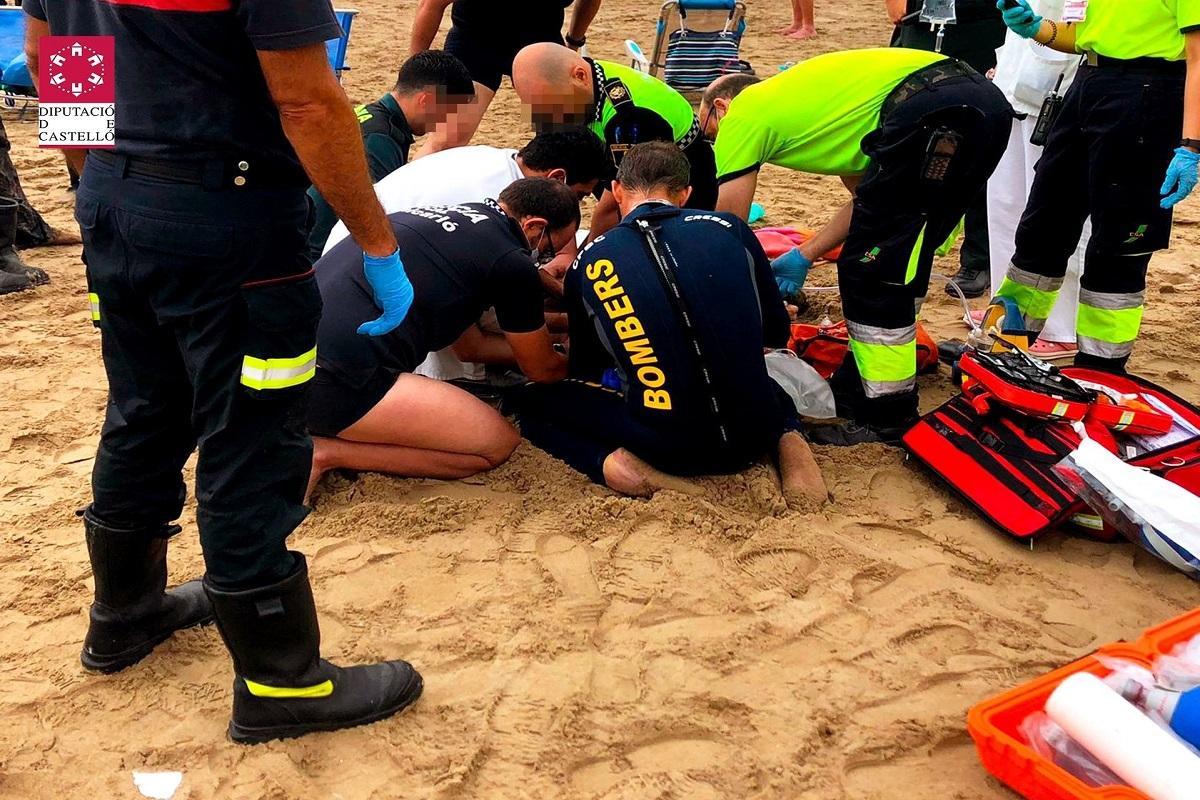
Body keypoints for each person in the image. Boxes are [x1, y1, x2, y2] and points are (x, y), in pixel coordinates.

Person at [25, 0, 423, 744]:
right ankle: (281, 680)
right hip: (226, 223)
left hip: (115, 197)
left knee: (145, 411)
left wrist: (99, 186)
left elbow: (59, 56)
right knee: (254, 436)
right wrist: (378, 243)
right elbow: (307, 101)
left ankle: (125, 615)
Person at [701, 49, 1014, 444]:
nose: (714, 141)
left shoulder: (743, 113)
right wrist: (804, 254)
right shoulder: (824, 108)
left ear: (720, 107)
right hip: (981, 103)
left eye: (708, 128)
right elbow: (866, 204)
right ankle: (863, 380)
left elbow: (728, 226)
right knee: (902, 257)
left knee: (873, 272)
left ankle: (887, 413)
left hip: (931, 109)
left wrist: (736, 288)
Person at [508, 143, 828, 505]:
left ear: (616, 191)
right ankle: (792, 449)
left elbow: (590, 367)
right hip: (754, 428)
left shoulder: (591, 260)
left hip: (664, 445)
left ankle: (616, 467)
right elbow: (774, 333)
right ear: (685, 194)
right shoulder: (730, 228)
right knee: (768, 387)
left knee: (533, 404)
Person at [307, 178, 576, 496]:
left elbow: (470, 347)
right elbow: (541, 369)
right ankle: (325, 453)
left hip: (286, 363)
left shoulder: (440, 223)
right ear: (534, 226)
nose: (542, 261)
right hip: (336, 382)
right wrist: (576, 354)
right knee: (497, 444)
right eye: (546, 252)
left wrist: (557, 323)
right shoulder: (510, 261)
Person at [993, 0, 1200, 374]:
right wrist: (1039, 29)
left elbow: (1198, 57)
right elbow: (1086, 38)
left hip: (1150, 93)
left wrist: (1191, 145)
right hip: (1087, 86)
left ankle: (1101, 369)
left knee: (1119, 245)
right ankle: (1009, 347)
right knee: (1043, 227)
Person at [511, 43, 719, 238]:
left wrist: (578, 259)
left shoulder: (629, 117)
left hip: (682, 183)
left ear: (580, 76)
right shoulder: (568, 87)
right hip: (615, 154)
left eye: (552, 106)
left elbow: (615, 206)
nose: (548, 117)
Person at [322, 127, 607, 255]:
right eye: (580, 195)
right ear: (557, 177)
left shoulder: (498, 159)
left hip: (351, 257)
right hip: (371, 269)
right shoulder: (500, 202)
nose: (577, 203)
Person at [985, 0, 1086, 360]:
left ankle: (1061, 326)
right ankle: (1006, 310)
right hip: (1012, 83)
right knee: (1004, 206)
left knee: (1056, 214)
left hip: (1060, 88)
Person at [887, 0, 1007, 299]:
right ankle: (901, 250)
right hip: (920, 24)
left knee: (980, 142)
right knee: (908, 140)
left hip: (982, 29)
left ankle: (978, 259)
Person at [305, 50, 476, 260]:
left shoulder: (372, 116)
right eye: (448, 111)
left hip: (311, 238)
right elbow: (377, 218)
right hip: (322, 255)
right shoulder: (380, 140)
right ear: (426, 100)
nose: (445, 121)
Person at [410, 0, 603, 155]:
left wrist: (574, 41)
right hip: (474, 41)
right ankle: (400, 200)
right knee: (445, 140)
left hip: (540, 45)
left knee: (560, 140)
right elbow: (432, 5)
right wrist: (416, 71)